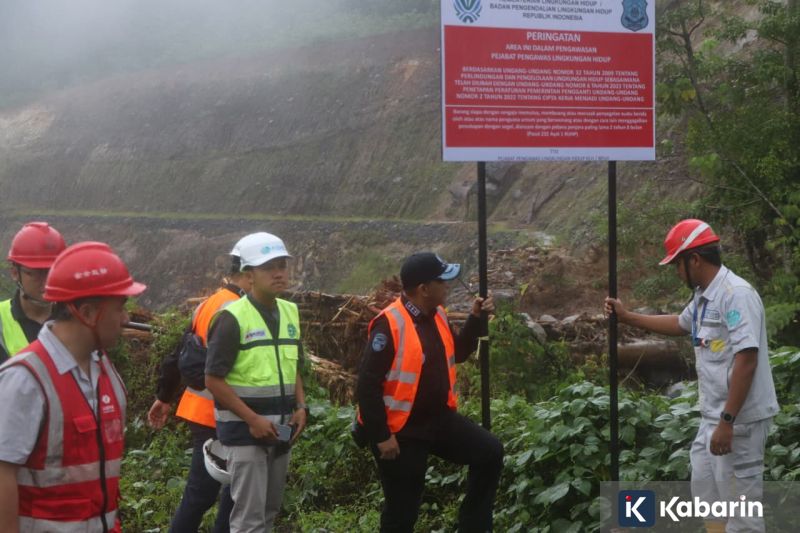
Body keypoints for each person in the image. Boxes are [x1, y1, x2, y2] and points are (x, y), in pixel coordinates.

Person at [605, 219, 779, 533]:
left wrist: (727, 421)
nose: (676, 271)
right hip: (713, 417)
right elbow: (680, 324)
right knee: (707, 496)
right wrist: (627, 316)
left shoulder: (735, 294)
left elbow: (747, 359)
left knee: (742, 514)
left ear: (694, 259)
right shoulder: (703, 295)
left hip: (739, 421)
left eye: (677, 264)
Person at [0, 241, 146, 532]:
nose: (126, 319)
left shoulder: (104, 369)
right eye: (120, 308)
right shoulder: (25, 379)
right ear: (88, 313)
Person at [356, 252, 503, 533]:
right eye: (442, 281)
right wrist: (382, 436)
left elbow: (458, 352)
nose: (447, 286)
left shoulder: (437, 315)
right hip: (401, 431)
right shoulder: (389, 324)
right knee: (402, 512)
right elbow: (366, 384)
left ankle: (473, 527)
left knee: (490, 452)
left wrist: (474, 320)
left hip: (438, 420)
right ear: (424, 289)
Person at [147, 238, 253, 533]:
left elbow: (180, 352)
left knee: (203, 494)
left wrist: (164, 397)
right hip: (223, 413)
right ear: (249, 272)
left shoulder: (211, 303)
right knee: (229, 495)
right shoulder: (238, 309)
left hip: (203, 412)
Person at [204, 232, 308, 533]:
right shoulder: (231, 317)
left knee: (269, 512)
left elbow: (294, 365)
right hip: (245, 432)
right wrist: (252, 419)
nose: (278, 273)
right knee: (248, 520)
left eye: (281, 265)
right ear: (249, 275)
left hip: (282, 430)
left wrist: (301, 406)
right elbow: (212, 379)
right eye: (268, 267)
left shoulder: (290, 311)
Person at [0, 222, 67, 362]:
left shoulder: (75, 318)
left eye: (51, 272)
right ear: (15, 273)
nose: (46, 281)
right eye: (35, 273)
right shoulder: (2, 320)